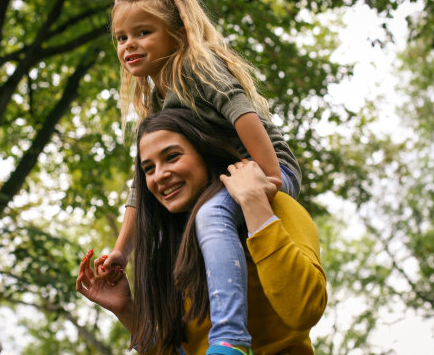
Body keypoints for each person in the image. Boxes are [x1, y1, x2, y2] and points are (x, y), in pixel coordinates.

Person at [98, 0, 303, 354]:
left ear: (177, 34)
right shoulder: (158, 103)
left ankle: (230, 339)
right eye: (121, 38)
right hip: (228, 179)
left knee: (210, 215)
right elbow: (138, 189)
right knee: (160, 236)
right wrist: (122, 252)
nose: (129, 45)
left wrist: (268, 177)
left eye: (143, 33)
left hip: (266, 170)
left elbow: (242, 112)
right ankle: (172, 343)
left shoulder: (195, 69)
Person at [79, 109, 326, 355]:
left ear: (204, 153)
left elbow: (304, 311)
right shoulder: (168, 247)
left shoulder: (273, 207)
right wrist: (126, 310)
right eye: (149, 168)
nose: (160, 175)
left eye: (172, 156)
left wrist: (254, 205)